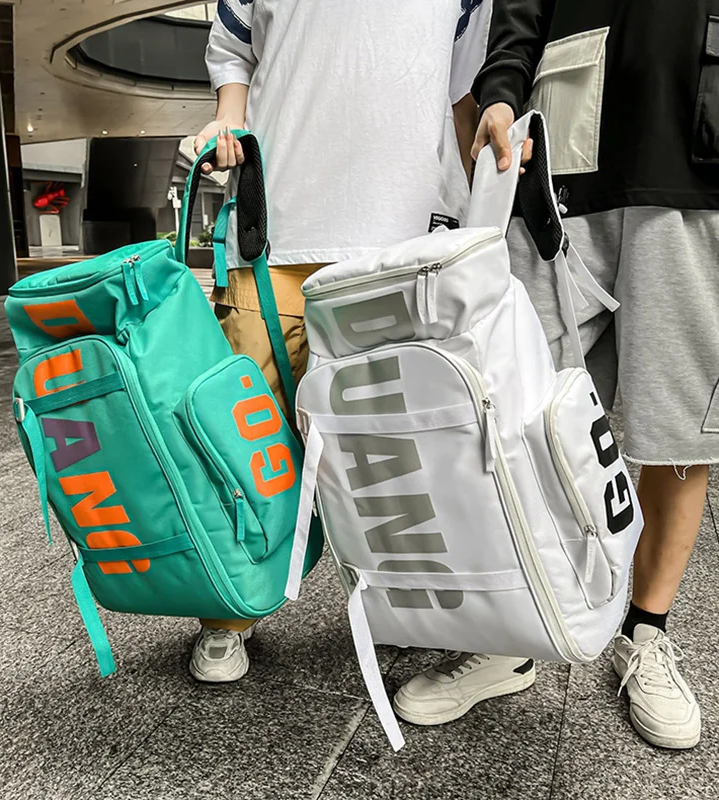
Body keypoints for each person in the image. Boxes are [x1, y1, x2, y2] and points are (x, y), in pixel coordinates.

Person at [394, 0, 719, 750]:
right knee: (509, 413)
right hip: (562, 161)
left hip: (697, 163)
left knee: (676, 431)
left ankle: (648, 633)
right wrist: (502, 92)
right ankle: (510, 640)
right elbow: (522, 8)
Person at [187, 0, 494, 684]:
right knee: (248, 439)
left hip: (406, 232)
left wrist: (482, 207)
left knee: (404, 446)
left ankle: (409, 608)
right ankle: (227, 612)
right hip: (278, 227)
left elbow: (460, 89)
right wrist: (229, 117)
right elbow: (233, 47)